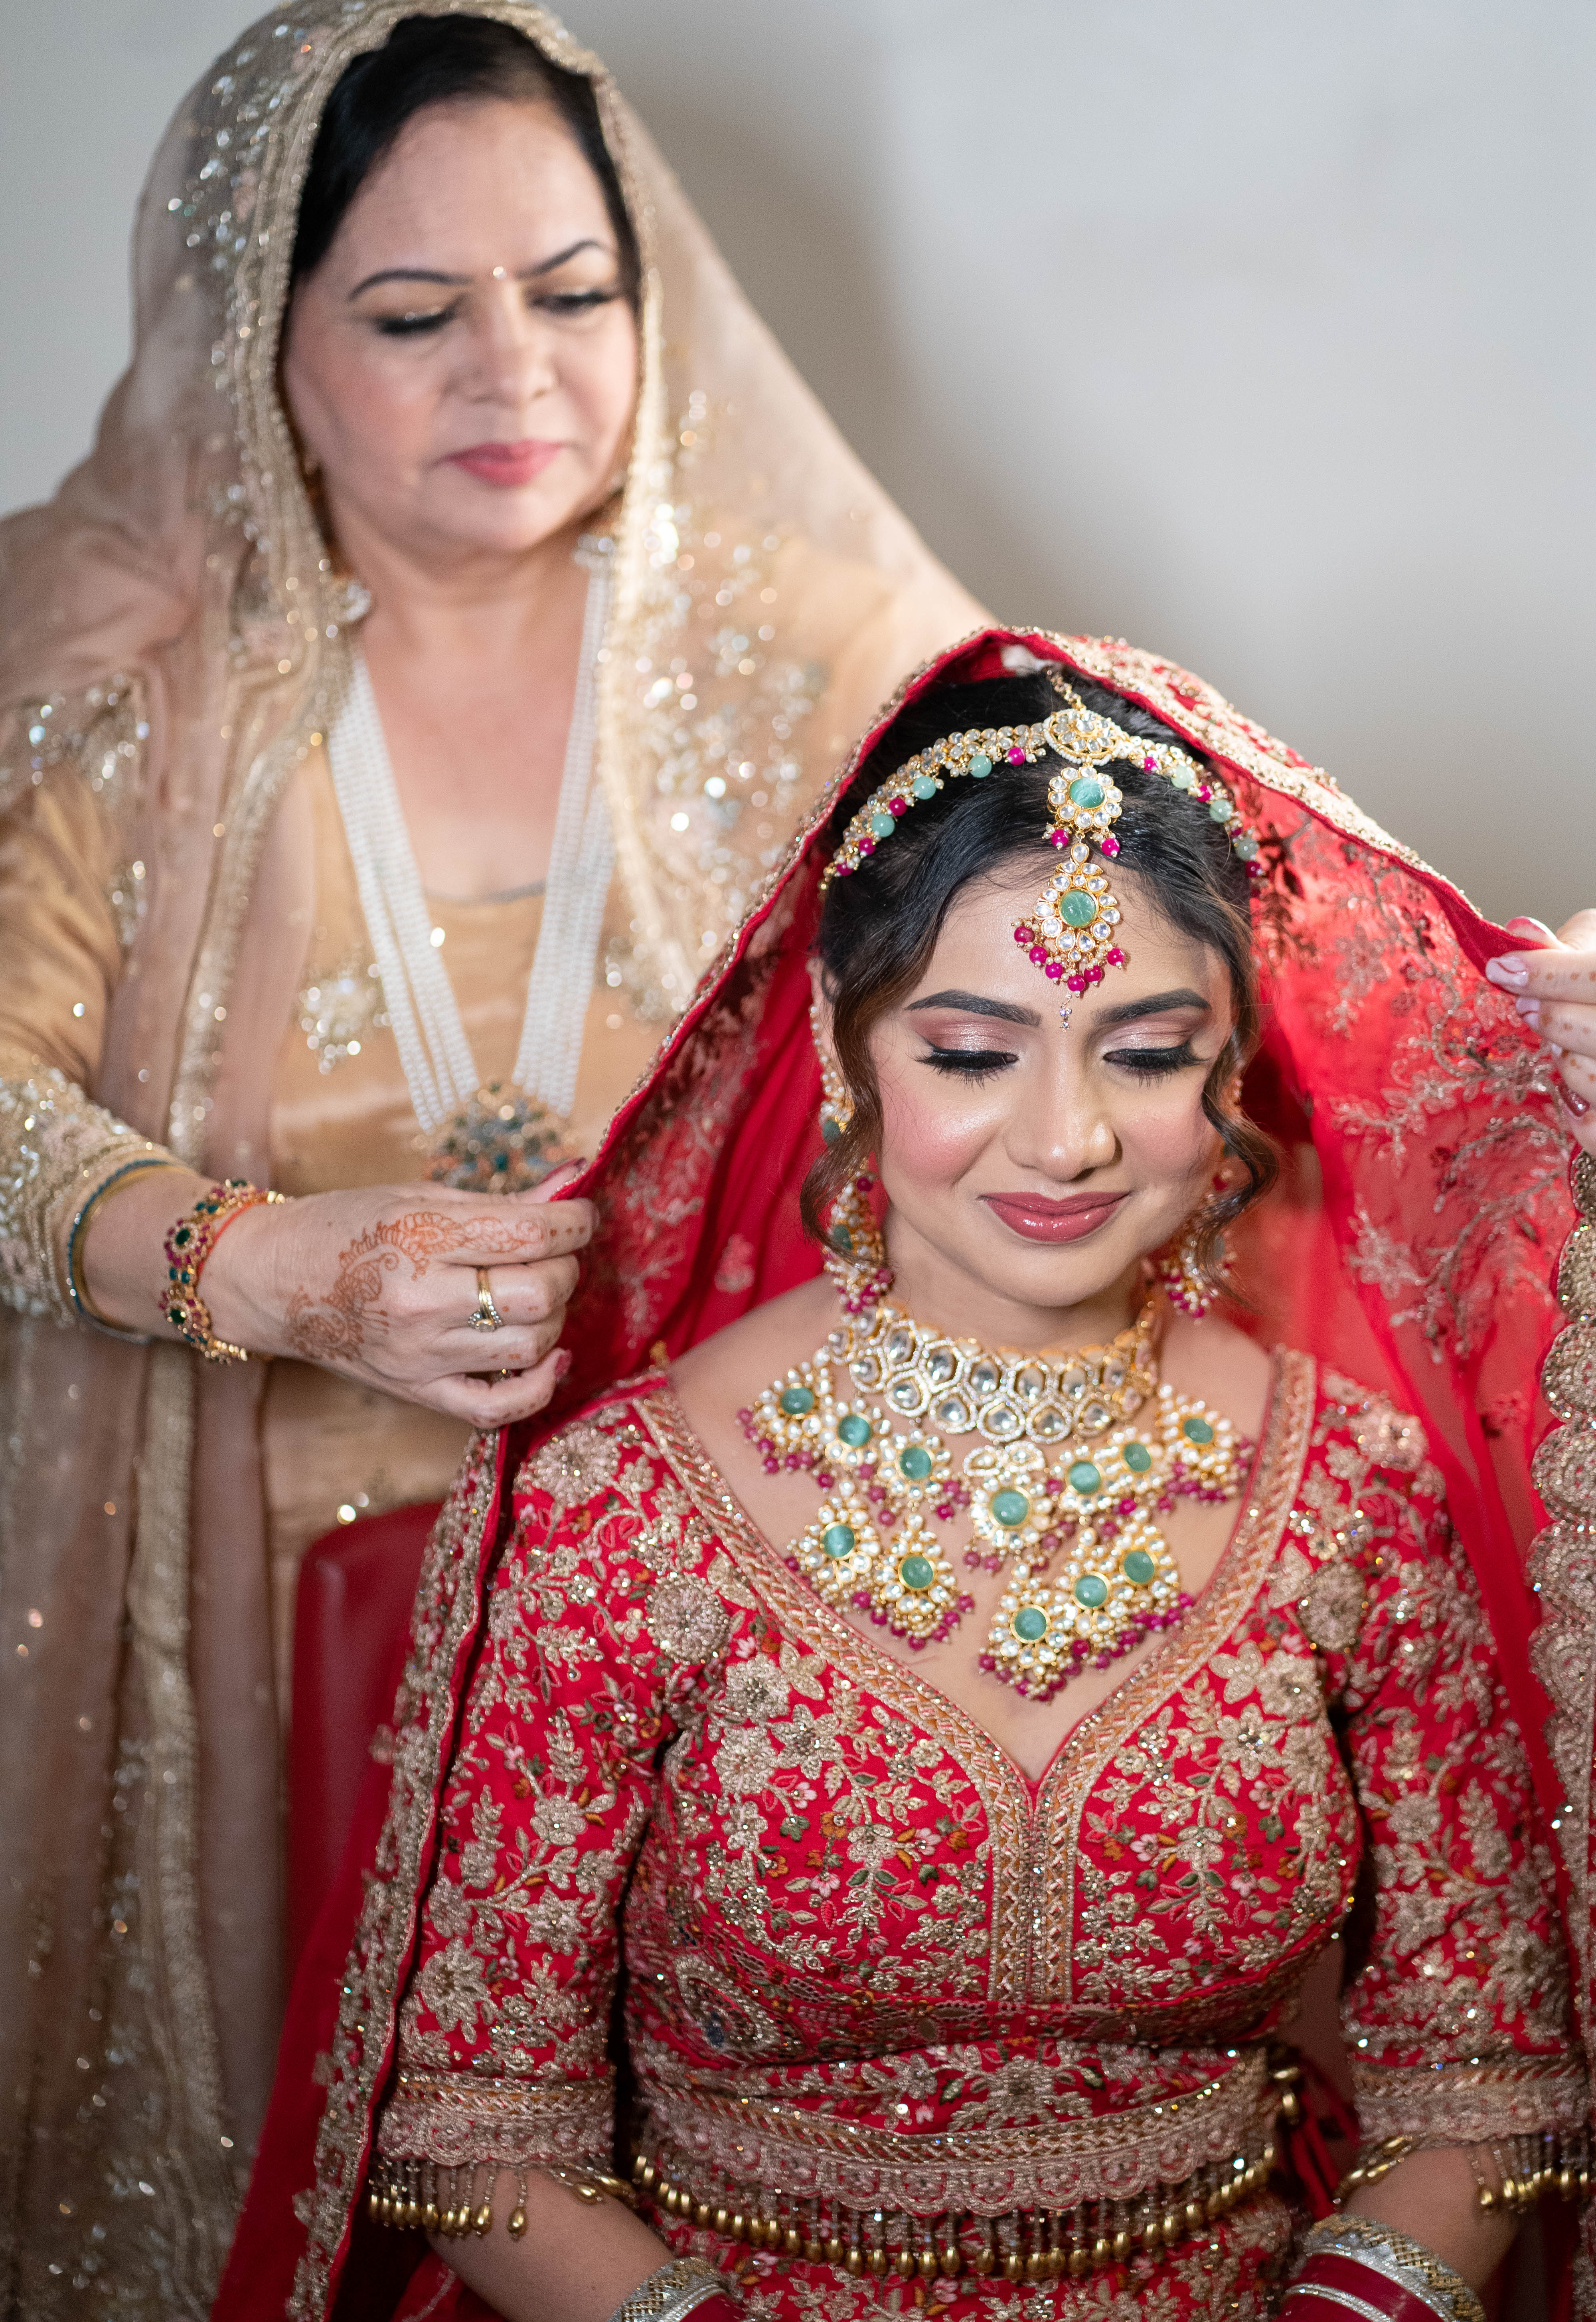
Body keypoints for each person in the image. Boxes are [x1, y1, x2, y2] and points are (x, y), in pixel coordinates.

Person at [220, 629, 1596, 2322]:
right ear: (848, 1045)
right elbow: (477, 2133)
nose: (1065, 1137)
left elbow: (1483, 2074)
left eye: (1148, 1053)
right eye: (971, 1051)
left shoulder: (1351, 1489)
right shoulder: (628, 1508)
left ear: (1234, 1066)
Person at [0, 0, 984, 2316]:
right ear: (263, 336)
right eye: (418, 313)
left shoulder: (807, 656)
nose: (517, 376)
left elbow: (1131, 933)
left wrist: (1492, 994)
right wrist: (264, 1267)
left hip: (748, 1649)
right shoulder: (122, 684)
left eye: (573, 295)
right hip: (261, 1645)